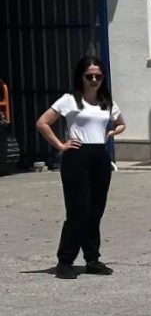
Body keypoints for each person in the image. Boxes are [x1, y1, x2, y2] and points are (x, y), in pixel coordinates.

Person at [35, 55, 125, 280]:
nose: (94, 80)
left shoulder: (107, 103)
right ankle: (65, 261)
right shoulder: (69, 100)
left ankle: (92, 259)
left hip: (99, 156)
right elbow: (42, 122)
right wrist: (60, 144)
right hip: (77, 156)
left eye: (98, 76)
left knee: (96, 210)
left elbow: (121, 122)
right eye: (89, 76)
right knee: (78, 210)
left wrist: (113, 132)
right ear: (81, 77)